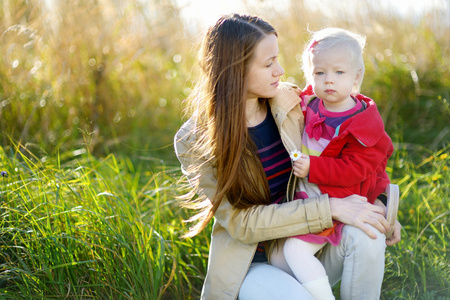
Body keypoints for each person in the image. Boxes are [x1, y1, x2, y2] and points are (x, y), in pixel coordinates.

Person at [174, 14, 401, 300]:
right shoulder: (194, 139)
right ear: (235, 69)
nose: (280, 71)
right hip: (254, 264)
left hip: (309, 245)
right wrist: (330, 208)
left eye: (277, 59)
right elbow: (241, 224)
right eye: (268, 64)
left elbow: (361, 151)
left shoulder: (292, 102)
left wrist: (378, 207)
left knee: (369, 234)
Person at [269, 28, 397, 300]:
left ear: (356, 76)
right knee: (288, 254)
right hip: (308, 199)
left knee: (295, 251)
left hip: (339, 199)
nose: (329, 81)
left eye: (339, 73)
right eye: (320, 73)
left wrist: (313, 169)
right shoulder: (311, 104)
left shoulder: (362, 125)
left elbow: (357, 169)